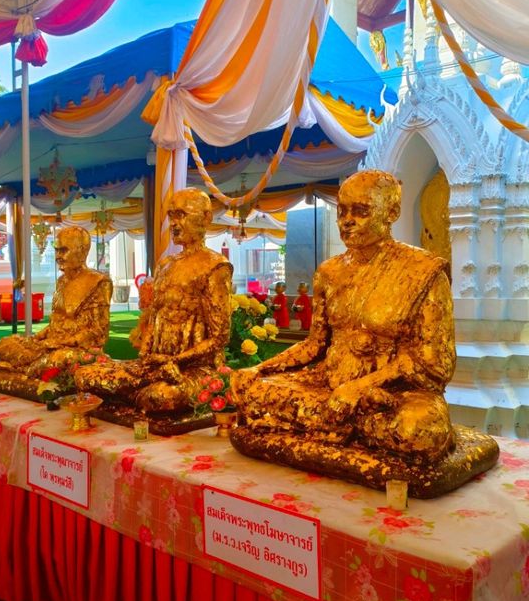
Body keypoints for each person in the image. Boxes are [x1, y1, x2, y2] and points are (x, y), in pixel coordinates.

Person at [231, 170, 457, 463]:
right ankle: (341, 427)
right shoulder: (330, 272)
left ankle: (336, 426)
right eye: (342, 212)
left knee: (417, 429)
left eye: (361, 211)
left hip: (394, 393)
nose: (347, 221)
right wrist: (259, 369)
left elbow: (436, 361)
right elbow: (315, 345)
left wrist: (361, 388)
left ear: (391, 213)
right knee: (254, 392)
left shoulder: (423, 270)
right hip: (328, 384)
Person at [75, 187, 233, 413]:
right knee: (85, 375)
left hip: (193, 369)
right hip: (157, 365)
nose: (175, 223)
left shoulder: (215, 266)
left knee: (161, 397)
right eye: (171, 216)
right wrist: (145, 357)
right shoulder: (165, 264)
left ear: (206, 217)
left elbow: (219, 337)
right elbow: (153, 317)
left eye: (182, 215)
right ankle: (136, 392)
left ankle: (132, 395)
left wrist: (176, 360)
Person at [0, 226, 112, 378]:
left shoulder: (98, 282)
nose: (58, 256)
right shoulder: (62, 281)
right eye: (57, 251)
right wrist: (37, 338)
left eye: (64, 250)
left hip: (75, 349)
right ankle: (25, 369)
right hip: (51, 344)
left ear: (82, 251)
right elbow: (56, 323)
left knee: (59, 359)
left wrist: (62, 342)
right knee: (5, 344)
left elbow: (97, 331)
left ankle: (23, 371)